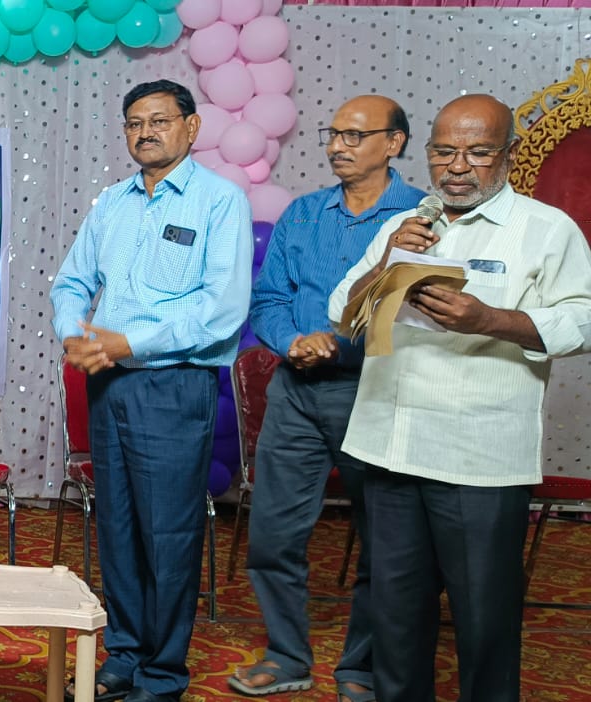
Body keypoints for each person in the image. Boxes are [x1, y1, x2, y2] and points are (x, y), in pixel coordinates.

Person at [327, 94, 591, 702]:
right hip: (389, 449)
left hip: (478, 461)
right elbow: (340, 310)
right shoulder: (406, 225)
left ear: (509, 155)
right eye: (444, 151)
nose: (457, 167)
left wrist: (491, 319)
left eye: (477, 152)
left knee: (484, 623)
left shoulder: (546, 229)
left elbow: (582, 321)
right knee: (393, 621)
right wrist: (388, 263)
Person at [50, 79, 253, 702]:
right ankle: (125, 652)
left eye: (160, 121)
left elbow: (222, 313)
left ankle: (163, 673)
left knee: (167, 533)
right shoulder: (112, 202)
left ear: (191, 128)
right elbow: (71, 281)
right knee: (116, 527)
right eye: (135, 123)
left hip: (174, 386)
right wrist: (73, 334)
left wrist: (125, 344)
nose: (145, 133)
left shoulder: (220, 202)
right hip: (109, 387)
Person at [229, 95, 424, 702]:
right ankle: (287, 654)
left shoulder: (423, 215)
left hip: (381, 393)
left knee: (386, 542)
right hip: (298, 393)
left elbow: (423, 320)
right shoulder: (304, 213)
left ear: (393, 143)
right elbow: (268, 300)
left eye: (355, 135)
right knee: (273, 535)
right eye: (333, 133)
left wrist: (339, 347)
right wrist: (293, 341)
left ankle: (362, 666)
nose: (337, 145)